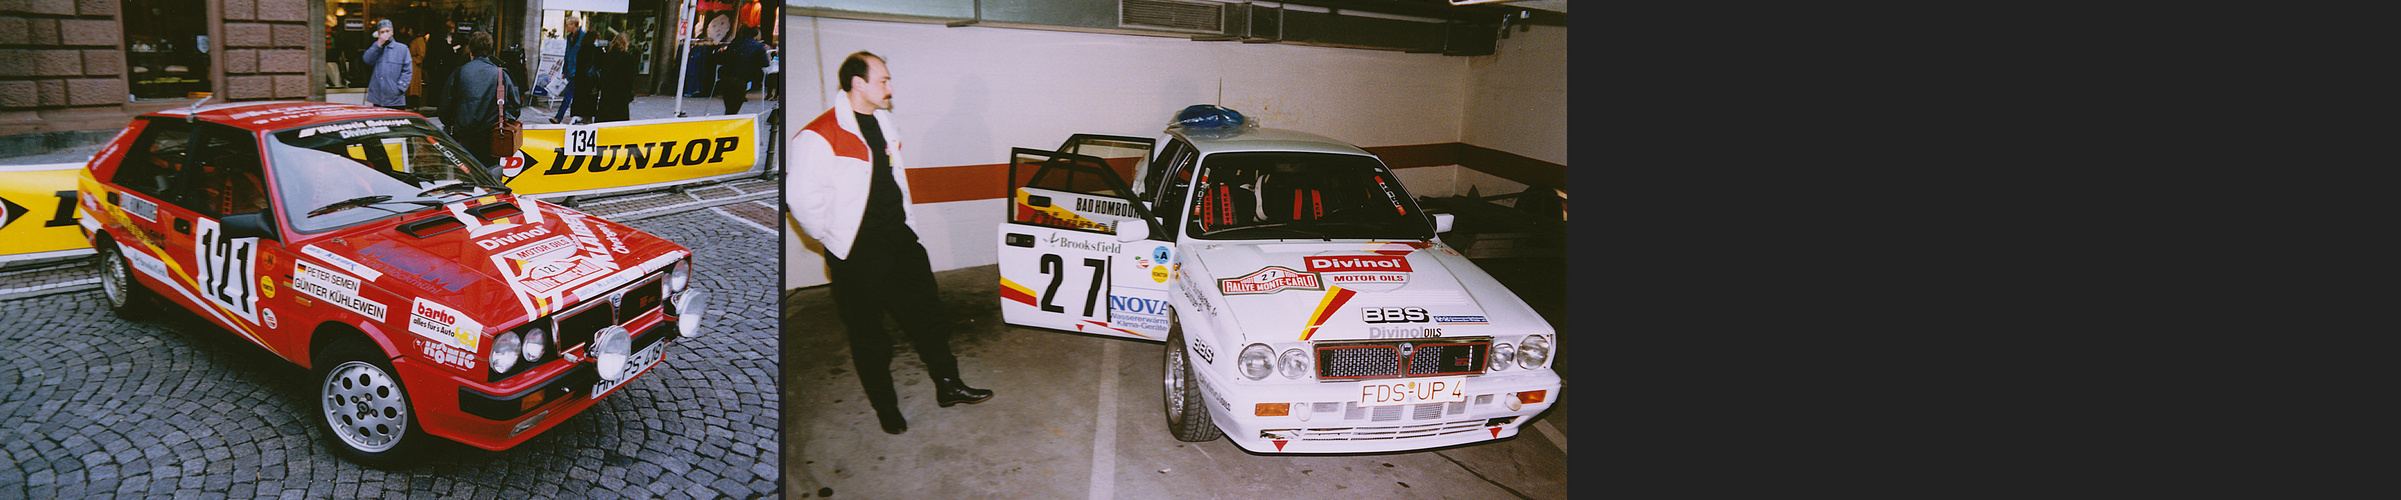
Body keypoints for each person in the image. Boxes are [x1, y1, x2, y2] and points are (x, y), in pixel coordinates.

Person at [787, 51, 993, 435]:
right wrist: (835, 238)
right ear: (858, 83)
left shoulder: (884, 122)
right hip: (858, 252)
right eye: (883, 81)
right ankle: (887, 407)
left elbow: (893, 180)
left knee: (930, 317)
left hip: (900, 240)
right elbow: (801, 200)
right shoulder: (818, 135)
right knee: (869, 333)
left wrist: (908, 227)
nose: (890, 89)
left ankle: (948, 386)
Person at [441, 31, 521, 176]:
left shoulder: (459, 73)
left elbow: (445, 108)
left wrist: (453, 124)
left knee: (466, 178)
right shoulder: (500, 73)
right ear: (490, 51)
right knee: (490, 179)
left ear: (471, 52)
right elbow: (515, 107)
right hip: (492, 138)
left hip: (464, 137)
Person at [549, 16, 599, 124]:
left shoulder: (583, 37)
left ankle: (559, 117)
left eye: (568, 24)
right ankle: (579, 118)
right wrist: (564, 70)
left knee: (568, 95)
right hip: (570, 71)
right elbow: (567, 55)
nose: (566, 26)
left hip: (578, 72)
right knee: (570, 95)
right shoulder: (569, 37)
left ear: (574, 25)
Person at [713, 27, 768, 116]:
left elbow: (723, 59)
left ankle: (728, 119)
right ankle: (729, 122)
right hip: (742, 77)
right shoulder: (758, 46)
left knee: (729, 105)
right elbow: (765, 63)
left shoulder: (734, 43)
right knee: (735, 106)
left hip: (727, 76)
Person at [362, 19, 413, 110]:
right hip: (377, 98)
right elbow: (367, 59)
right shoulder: (376, 47)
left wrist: (400, 88)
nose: (385, 34)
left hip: (396, 99)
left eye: (387, 31)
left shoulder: (402, 49)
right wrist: (378, 44)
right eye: (382, 32)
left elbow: (408, 70)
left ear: (392, 32)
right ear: (378, 34)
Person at [595, 30, 638, 123]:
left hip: (608, 93)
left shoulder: (607, 56)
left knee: (605, 121)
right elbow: (630, 79)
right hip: (621, 95)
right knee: (619, 121)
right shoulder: (628, 58)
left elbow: (603, 75)